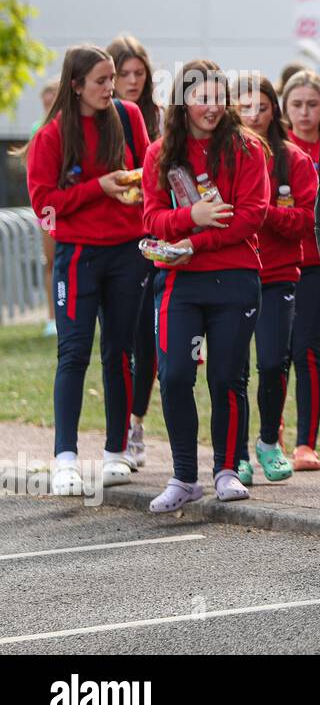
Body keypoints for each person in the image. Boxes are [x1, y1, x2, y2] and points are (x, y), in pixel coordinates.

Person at [21, 45, 151, 495]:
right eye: (101, 80)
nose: (110, 87)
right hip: (77, 256)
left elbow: (148, 170)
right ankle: (65, 458)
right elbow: (44, 207)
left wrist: (132, 187)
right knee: (73, 353)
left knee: (119, 352)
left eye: (112, 78)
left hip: (127, 252)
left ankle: (116, 451)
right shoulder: (53, 134)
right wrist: (98, 188)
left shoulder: (129, 116)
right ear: (75, 84)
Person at [141, 59, 270, 511]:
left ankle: (227, 469)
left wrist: (195, 242)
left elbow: (252, 215)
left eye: (219, 98)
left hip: (235, 278)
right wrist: (191, 218)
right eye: (201, 98)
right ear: (182, 101)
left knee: (227, 377)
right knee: (174, 373)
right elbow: (152, 219)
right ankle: (183, 477)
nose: (212, 107)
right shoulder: (160, 153)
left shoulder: (248, 149)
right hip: (179, 282)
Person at [235, 73, 311, 484]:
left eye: (261, 107)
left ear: (273, 110)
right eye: (245, 107)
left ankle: (269, 441)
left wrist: (263, 213)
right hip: (232, 275)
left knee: (272, 362)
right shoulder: (225, 156)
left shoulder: (293, 159)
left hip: (278, 276)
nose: (254, 115)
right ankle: (235, 454)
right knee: (233, 369)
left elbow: (306, 218)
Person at [107, 35, 161, 468]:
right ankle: (119, 428)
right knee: (117, 340)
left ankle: (136, 420)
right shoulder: (100, 116)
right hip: (112, 241)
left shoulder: (159, 119)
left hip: (152, 242)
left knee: (149, 339)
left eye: (138, 74)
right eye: (123, 74)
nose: (131, 81)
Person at [282, 70, 320, 471]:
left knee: (306, 350)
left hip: (318, 264)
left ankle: (306, 444)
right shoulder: (274, 149)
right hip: (275, 262)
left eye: (311, 104)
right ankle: (272, 428)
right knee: (273, 354)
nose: (304, 112)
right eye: (296, 104)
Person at [37, 78, 60, 338]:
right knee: (51, 261)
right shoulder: (39, 129)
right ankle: (51, 317)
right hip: (46, 211)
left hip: (63, 206)